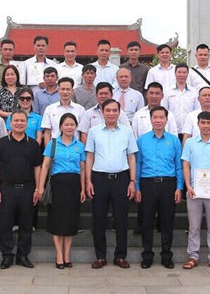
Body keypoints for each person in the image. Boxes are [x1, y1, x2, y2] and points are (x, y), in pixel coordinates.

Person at [85, 99, 138, 269]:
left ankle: (120, 256)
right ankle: (100, 256)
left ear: (119, 112)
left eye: (115, 110)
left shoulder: (127, 132)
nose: (111, 113)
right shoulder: (94, 131)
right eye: (108, 110)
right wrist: (88, 181)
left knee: (121, 219)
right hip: (99, 179)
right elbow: (89, 157)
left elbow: (131, 157)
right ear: (102, 111)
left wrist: (132, 181)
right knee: (98, 219)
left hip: (121, 179)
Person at [0, 110, 44, 269]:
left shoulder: (33, 144)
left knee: (26, 224)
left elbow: (37, 168)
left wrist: (38, 189)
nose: (19, 123)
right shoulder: (1, 143)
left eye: (22, 121)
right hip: (6, 188)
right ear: (10, 123)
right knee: (5, 224)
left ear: (26, 123)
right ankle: (7, 255)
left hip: (27, 189)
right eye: (16, 121)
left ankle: (23, 255)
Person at [134, 106, 183, 269]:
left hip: (168, 184)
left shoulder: (174, 140)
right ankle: (147, 255)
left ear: (166, 120)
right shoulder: (142, 140)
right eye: (155, 117)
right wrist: (137, 187)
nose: (158, 120)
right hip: (147, 184)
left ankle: (166, 255)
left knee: (167, 221)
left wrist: (179, 187)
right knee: (147, 221)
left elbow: (179, 166)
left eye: (161, 117)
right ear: (150, 119)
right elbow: (138, 165)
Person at [37, 113, 87, 268]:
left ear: (76, 127)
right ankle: (59, 255)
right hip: (57, 184)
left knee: (71, 221)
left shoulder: (79, 146)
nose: (69, 127)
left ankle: (67, 255)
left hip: (74, 184)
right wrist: (40, 186)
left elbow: (83, 168)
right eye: (66, 124)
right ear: (60, 127)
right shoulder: (52, 144)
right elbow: (45, 166)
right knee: (57, 220)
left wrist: (83, 188)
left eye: (72, 124)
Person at [181, 111, 210, 270]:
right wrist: (188, 185)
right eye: (203, 123)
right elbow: (186, 165)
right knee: (194, 226)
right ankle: (193, 256)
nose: (206, 126)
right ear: (198, 124)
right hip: (194, 190)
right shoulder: (190, 143)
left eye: (209, 123)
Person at [42, 77, 86, 144]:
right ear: (58, 90)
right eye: (63, 89)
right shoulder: (50, 109)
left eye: (68, 89)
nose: (65, 92)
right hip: (55, 147)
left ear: (72, 91)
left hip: (74, 148)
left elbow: (83, 133)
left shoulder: (80, 109)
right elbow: (47, 132)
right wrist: (48, 151)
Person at [162, 63, 199, 132]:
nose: (182, 75)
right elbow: (164, 110)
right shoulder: (167, 91)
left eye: (184, 72)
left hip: (189, 130)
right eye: (179, 72)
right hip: (172, 129)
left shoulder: (194, 91)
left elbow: (197, 111)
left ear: (187, 74)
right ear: (175, 73)